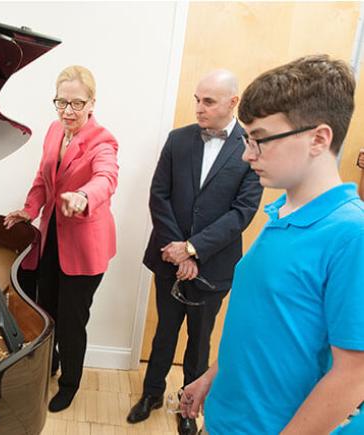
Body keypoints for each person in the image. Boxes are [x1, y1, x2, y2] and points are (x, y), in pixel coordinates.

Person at [180, 55, 364, 434]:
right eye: (247, 140)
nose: (248, 155)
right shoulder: (281, 212)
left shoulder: (351, 234)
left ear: (318, 138)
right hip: (227, 419)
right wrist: (214, 376)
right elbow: (265, 327)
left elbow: (353, 375)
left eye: (260, 140)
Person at [127, 70, 263, 434]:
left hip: (213, 266)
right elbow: (159, 196)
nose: (199, 108)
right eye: (197, 99)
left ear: (233, 102)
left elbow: (243, 212)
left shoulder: (251, 147)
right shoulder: (178, 139)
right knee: (164, 334)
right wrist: (178, 252)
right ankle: (151, 394)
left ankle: (189, 409)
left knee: (199, 342)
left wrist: (193, 250)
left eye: (209, 101)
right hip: (168, 259)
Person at [4, 65, 118, 413]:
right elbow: (43, 178)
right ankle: (49, 364)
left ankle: (69, 383)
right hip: (51, 235)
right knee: (45, 311)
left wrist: (83, 196)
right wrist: (28, 210)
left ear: (91, 103)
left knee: (71, 321)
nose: (68, 111)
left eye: (76, 103)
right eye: (61, 102)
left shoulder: (103, 140)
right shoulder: (54, 131)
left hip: (84, 247)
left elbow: (106, 177)